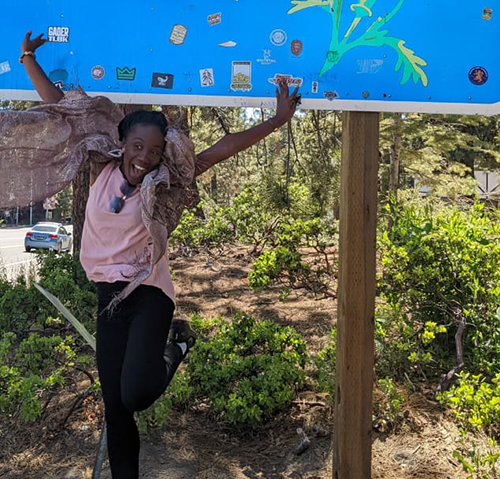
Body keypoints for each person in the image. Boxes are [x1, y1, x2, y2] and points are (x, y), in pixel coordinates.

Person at [17, 30, 300, 479]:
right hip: (108, 296)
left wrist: (274, 122)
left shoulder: (165, 180)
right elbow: (61, 110)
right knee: (115, 405)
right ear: (122, 143)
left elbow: (220, 150)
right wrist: (29, 58)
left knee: (135, 395)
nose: (145, 158)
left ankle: (178, 347)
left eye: (153, 150)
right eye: (137, 147)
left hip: (148, 292)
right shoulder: (100, 166)